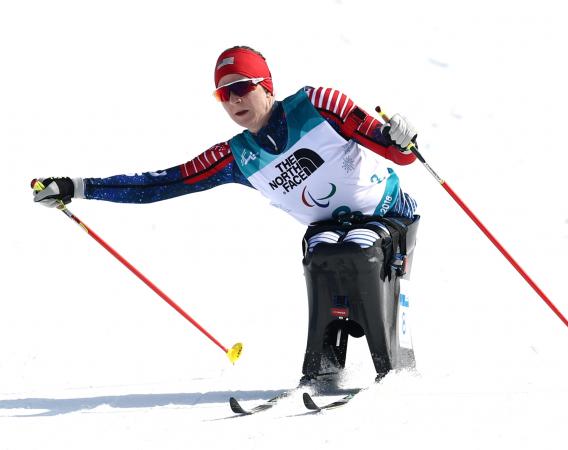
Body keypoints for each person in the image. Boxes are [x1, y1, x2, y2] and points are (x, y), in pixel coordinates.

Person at [34, 46, 420, 385]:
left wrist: (402, 137)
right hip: (330, 229)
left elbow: (398, 152)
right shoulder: (236, 156)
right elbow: (161, 183)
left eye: (242, 87)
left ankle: (392, 369)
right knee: (320, 255)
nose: (234, 99)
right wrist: (78, 187)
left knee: (359, 248)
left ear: (266, 86)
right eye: (224, 92)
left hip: (389, 214)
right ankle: (322, 370)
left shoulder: (318, 105)